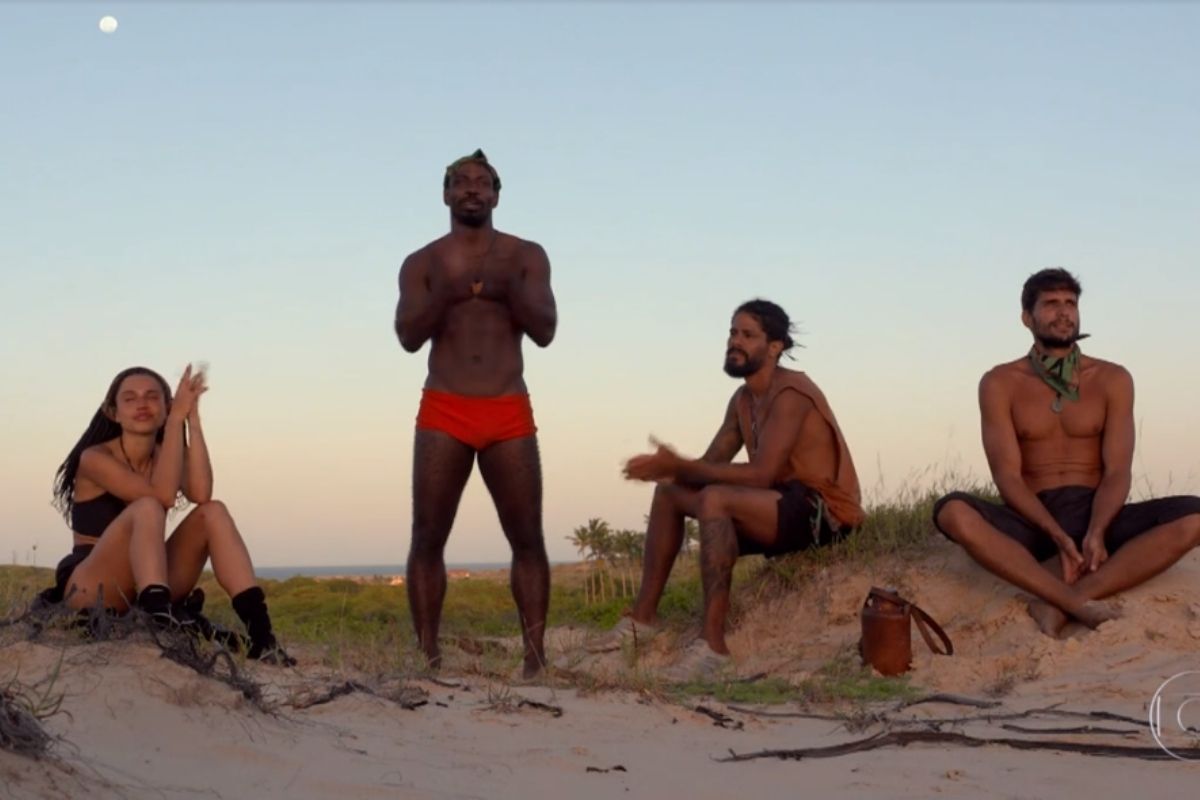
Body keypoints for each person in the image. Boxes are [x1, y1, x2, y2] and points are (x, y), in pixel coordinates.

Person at [933, 268, 1200, 637]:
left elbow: (1117, 470)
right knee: (952, 512)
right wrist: (1057, 535)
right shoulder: (1000, 382)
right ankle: (1073, 603)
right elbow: (1007, 475)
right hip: (1033, 517)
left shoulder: (1112, 379)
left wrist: (1097, 530)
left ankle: (1064, 598)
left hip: (1095, 511)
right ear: (1027, 318)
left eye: (1070, 303)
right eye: (1051, 304)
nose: (1063, 312)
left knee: (1195, 517)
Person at [614, 299, 865, 680]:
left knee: (716, 498)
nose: (735, 342)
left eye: (748, 335)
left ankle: (713, 648)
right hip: (777, 505)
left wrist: (680, 465)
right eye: (733, 333)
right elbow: (710, 464)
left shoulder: (792, 393)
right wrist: (667, 471)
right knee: (670, 494)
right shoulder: (742, 400)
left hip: (824, 514)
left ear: (775, 346)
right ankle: (641, 621)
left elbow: (763, 474)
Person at [394, 149, 557, 678]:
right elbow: (407, 337)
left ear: (496, 196)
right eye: (461, 181)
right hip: (445, 408)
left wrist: (509, 291)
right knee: (427, 537)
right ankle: (428, 657)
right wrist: (445, 293)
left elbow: (546, 331)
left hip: (508, 408)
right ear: (445, 194)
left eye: (482, 182)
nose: (471, 189)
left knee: (527, 537)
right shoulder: (423, 262)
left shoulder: (525, 255)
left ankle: (535, 660)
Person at [46, 364, 293, 664]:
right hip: (93, 583)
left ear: (166, 407)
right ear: (113, 412)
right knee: (148, 507)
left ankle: (263, 638)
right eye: (130, 398)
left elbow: (201, 494)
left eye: (152, 397)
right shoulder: (95, 458)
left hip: (151, 578)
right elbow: (161, 497)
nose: (142, 404)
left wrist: (192, 419)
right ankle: (159, 625)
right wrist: (175, 420)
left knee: (213, 512)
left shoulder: (168, 452)